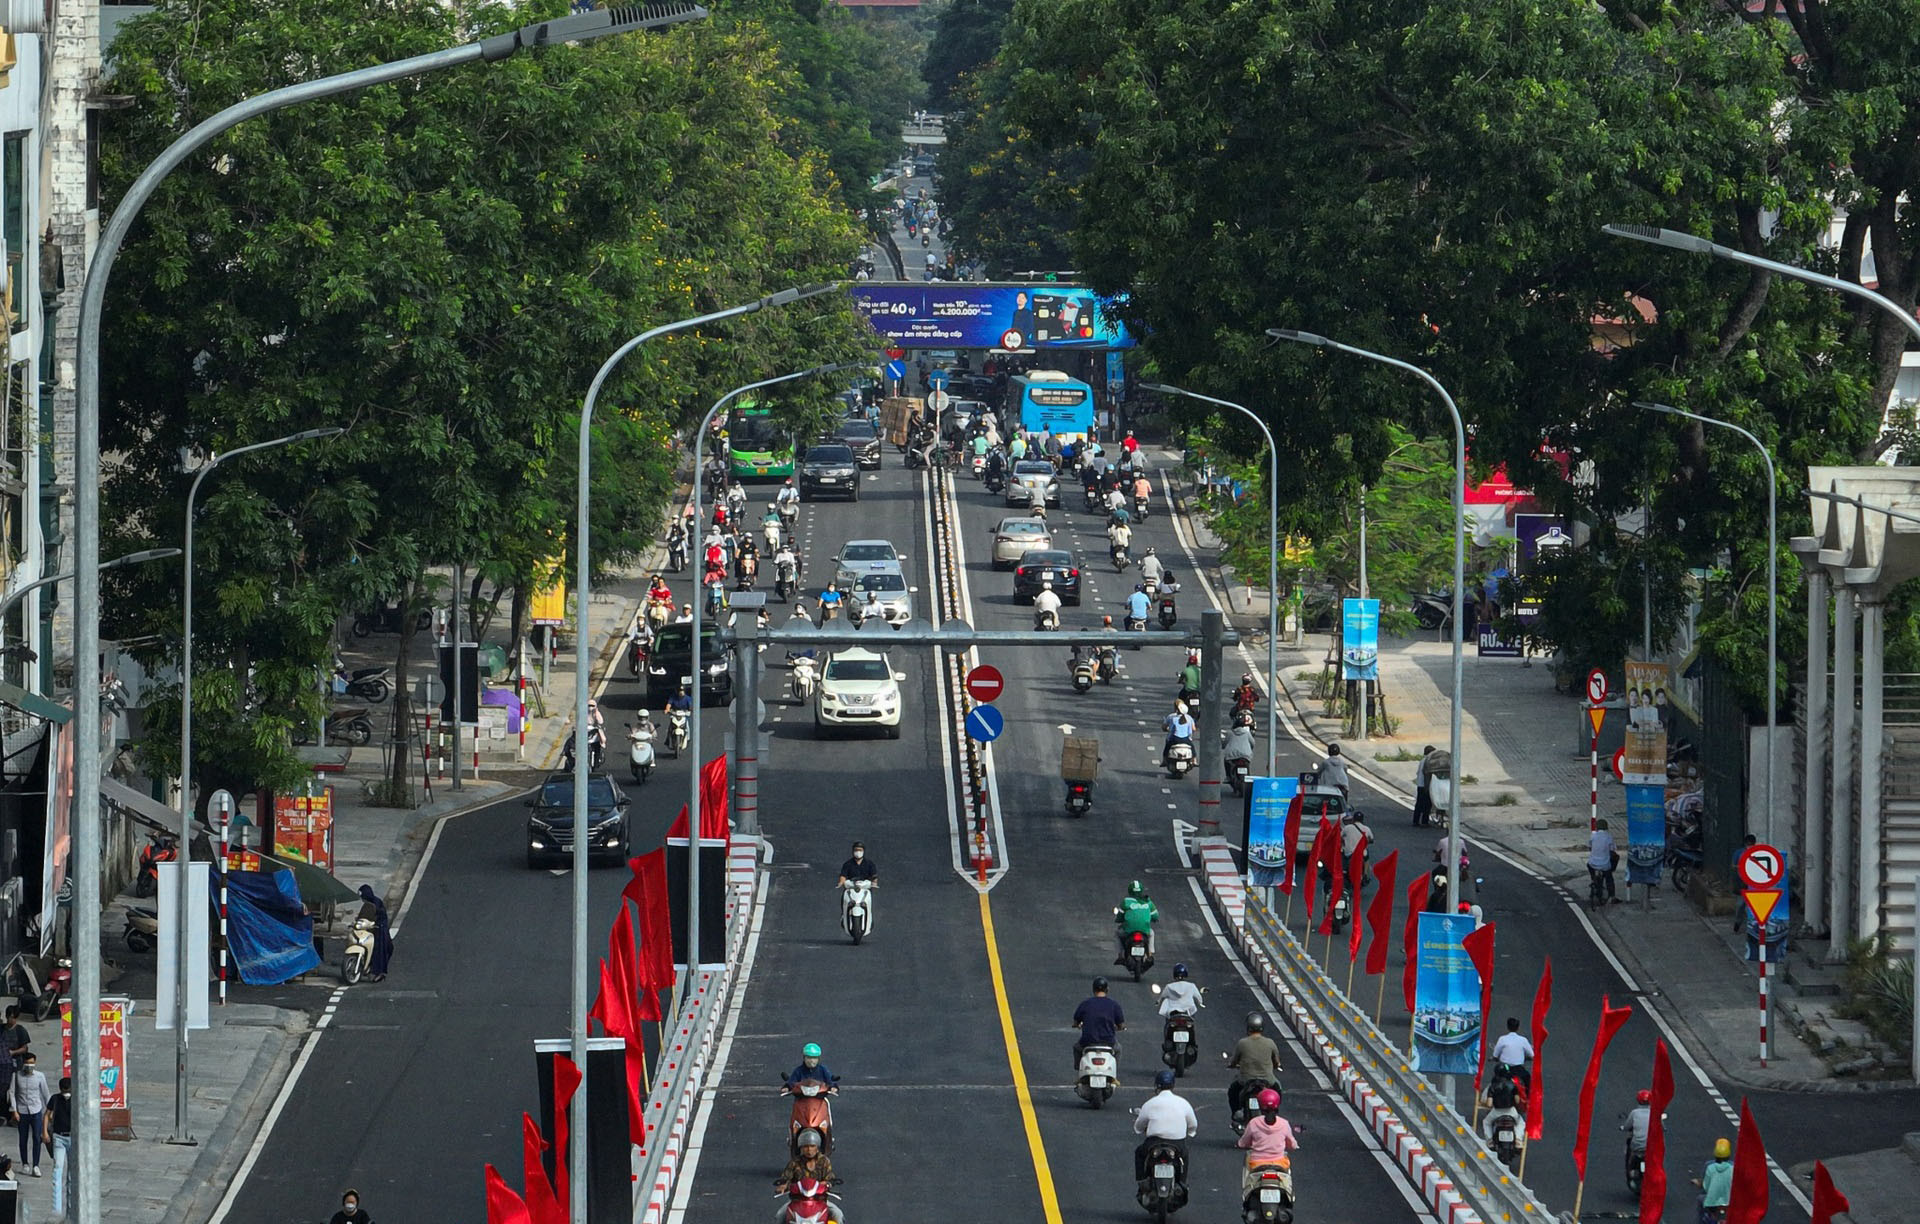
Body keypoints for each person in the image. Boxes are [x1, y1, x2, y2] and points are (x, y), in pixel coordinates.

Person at [1132, 1069, 1198, 1184]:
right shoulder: (1183, 1103)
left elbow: (1139, 1126)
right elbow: (1193, 1124)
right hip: (1177, 1144)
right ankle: (1182, 1183)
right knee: (1185, 1156)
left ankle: (1141, 1182)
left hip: (1153, 1143)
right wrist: (1190, 1132)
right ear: (1173, 1085)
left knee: (1139, 1152)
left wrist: (1140, 1129)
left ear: (1157, 1085)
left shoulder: (1150, 1103)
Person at [1235, 1087, 1300, 1196]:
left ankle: (1246, 1193)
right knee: (1287, 1177)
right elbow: (1292, 1145)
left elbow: (1243, 1142)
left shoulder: (1254, 1123)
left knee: (1247, 1161)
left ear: (1260, 1106)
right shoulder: (1284, 1124)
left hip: (1257, 1164)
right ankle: (1289, 1192)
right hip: (1280, 1165)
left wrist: (1239, 1144)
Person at [773, 1130, 841, 1224]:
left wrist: (827, 1183)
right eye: (806, 1146)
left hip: (820, 1201)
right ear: (801, 1148)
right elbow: (786, 1178)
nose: (809, 1150)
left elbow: (829, 1177)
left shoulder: (824, 1161)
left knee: (838, 1215)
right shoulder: (794, 1163)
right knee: (780, 1215)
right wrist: (783, 1186)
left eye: (812, 1146)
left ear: (817, 1147)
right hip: (797, 1201)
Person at [1227, 1013, 1283, 1120]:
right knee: (1278, 1088)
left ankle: (1235, 1113)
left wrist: (1231, 1065)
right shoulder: (1270, 1043)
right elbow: (1276, 1062)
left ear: (1248, 1027)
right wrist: (1276, 1065)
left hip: (1246, 1081)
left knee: (1233, 1090)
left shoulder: (1242, 1043)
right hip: (1267, 1081)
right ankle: (1275, 1109)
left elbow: (1234, 1061)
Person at [7, 1051, 48, 1175]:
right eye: (27, 1063)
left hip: (36, 1110)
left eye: (32, 1063)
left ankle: (36, 1165)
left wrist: (50, 1111)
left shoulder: (40, 1076)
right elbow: (12, 1093)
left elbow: (46, 1094)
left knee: (37, 1137)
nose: (29, 1065)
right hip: (22, 1111)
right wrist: (14, 1110)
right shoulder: (17, 1076)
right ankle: (25, 1163)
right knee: (23, 1139)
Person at [1072, 977, 1125, 1068]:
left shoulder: (1085, 1004)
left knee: (1077, 1048)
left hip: (1088, 1042)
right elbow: (1121, 1025)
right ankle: (1113, 1071)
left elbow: (1076, 1022)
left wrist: (1077, 1025)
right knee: (1118, 1049)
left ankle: (1079, 1069)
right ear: (1107, 989)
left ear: (1093, 989)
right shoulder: (1114, 1005)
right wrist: (1119, 1028)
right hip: (1108, 1042)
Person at [1114, 879, 1159, 964]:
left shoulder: (1126, 902)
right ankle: (1150, 954)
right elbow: (1156, 915)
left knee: (1117, 933)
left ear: (1129, 891)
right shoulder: (1148, 902)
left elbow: (1119, 916)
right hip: (1144, 930)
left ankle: (1120, 955)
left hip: (1128, 930)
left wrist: (1118, 920)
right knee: (1152, 933)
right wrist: (1154, 919)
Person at [356, 884, 393, 982]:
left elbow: (380, 917)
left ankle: (379, 972)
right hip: (371, 929)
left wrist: (375, 924)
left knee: (379, 950)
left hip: (380, 930)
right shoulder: (369, 904)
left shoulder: (376, 903)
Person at [46, 1075, 70, 1219]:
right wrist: (44, 1132)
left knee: (73, 1174)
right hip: (59, 1137)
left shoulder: (76, 1099)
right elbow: (47, 1114)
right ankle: (57, 1209)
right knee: (57, 1172)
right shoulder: (55, 1099)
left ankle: (71, 1206)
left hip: (72, 1137)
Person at [1695, 1138, 1734, 1222]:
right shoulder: (1733, 1167)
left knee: (1700, 1200)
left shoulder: (1709, 1166)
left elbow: (1706, 1186)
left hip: (1712, 1203)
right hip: (1730, 1201)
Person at [1489, 1017, 1534, 1081]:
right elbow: (1532, 1055)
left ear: (1507, 1027)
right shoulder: (1523, 1040)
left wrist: (1494, 1058)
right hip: (1518, 1070)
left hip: (1504, 1069)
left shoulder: (1502, 1039)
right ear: (1518, 1028)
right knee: (1527, 1080)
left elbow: (1495, 1055)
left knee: (1495, 1080)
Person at [1588, 818, 1620, 904]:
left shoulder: (1593, 835)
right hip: (1605, 864)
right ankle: (1612, 896)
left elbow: (1590, 847)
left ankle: (1593, 879)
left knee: (1589, 865)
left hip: (1593, 863)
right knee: (1609, 878)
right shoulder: (1608, 837)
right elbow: (1612, 850)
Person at [1162, 702, 1196, 767]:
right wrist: (1189, 739)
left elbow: (1172, 731)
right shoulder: (1188, 719)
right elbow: (1190, 732)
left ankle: (1164, 760)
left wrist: (1169, 738)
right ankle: (1194, 760)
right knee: (1192, 747)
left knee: (1167, 747)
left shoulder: (1174, 719)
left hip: (1175, 739)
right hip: (1186, 739)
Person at [1622, 1088, 1652, 1162]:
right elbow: (1662, 1127)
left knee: (1630, 1144)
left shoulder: (1634, 1113)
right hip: (1651, 1145)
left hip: (1637, 1146)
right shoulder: (1654, 1113)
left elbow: (1627, 1126)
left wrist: (1623, 1128)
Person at [1412, 744, 1437, 826]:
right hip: (1425, 785)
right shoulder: (1428, 761)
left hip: (1420, 784)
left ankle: (1416, 820)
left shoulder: (1422, 760)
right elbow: (1426, 773)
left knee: (1419, 803)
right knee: (1427, 804)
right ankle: (1424, 821)